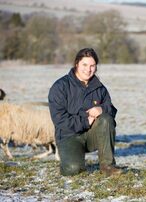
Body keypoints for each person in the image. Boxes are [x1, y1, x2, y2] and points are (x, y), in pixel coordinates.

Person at [48, 48, 122, 176]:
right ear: (76, 64)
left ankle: (107, 167)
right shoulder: (60, 86)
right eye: (85, 65)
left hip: (91, 135)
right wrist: (85, 121)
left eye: (92, 66)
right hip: (68, 136)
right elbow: (59, 119)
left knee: (106, 119)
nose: (88, 69)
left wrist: (102, 109)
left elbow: (112, 110)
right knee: (73, 169)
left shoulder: (99, 87)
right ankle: (70, 160)